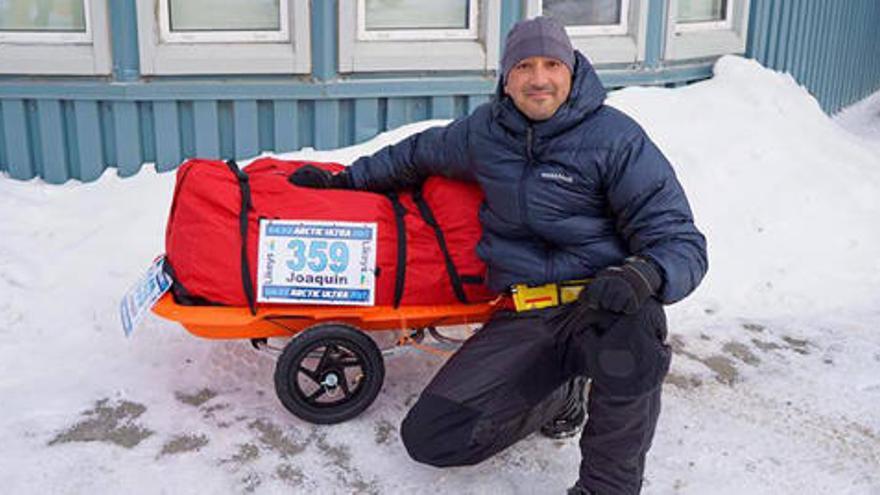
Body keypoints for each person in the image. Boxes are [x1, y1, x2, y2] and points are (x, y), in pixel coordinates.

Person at [291, 16, 707, 495]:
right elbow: (415, 154)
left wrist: (644, 272)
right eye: (524, 66)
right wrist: (345, 180)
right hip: (527, 312)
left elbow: (679, 239)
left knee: (634, 337)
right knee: (432, 439)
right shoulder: (485, 134)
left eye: (552, 64)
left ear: (572, 70)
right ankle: (561, 393)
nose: (539, 78)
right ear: (505, 78)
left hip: (603, 304)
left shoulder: (616, 139)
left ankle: (605, 488)